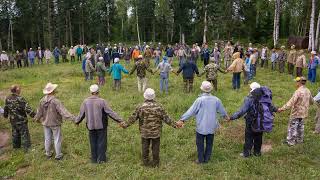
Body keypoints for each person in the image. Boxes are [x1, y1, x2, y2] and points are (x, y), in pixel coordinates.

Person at [122, 88, 177, 167]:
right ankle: (156, 163)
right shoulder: (159, 107)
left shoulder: (141, 107)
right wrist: (176, 125)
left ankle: (145, 163)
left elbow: (132, 118)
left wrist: (125, 125)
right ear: (154, 96)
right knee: (155, 147)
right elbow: (167, 119)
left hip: (145, 132)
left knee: (145, 147)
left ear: (145, 96)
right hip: (156, 132)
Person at [176, 81, 228, 164]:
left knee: (200, 143)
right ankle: (207, 158)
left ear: (202, 89)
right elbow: (222, 111)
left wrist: (182, 119)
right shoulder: (216, 100)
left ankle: (200, 159)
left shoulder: (199, 100)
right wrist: (226, 117)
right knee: (209, 143)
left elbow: (191, 111)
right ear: (211, 89)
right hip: (211, 126)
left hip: (201, 126)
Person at [75, 84, 125, 163]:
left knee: (93, 142)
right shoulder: (102, 101)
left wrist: (77, 121)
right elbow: (110, 112)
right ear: (98, 91)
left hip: (90, 126)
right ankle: (101, 160)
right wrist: (120, 120)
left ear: (90, 92)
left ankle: (94, 159)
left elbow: (81, 114)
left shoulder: (85, 101)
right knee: (102, 142)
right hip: (101, 126)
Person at [229, 82, 278, 157]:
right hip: (261, 121)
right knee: (259, 137)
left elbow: (242, 111)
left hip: (250, 121)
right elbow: (271, 106)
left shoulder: (249, 98)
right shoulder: (265, 97)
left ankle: (247, 153)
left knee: (249, 137)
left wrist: (232, 117)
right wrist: (277, 109)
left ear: (252, 89)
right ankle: (257, 153)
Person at [34, 83, 75, 160]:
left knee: (47, 138)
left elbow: (39, 112)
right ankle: (58, 155)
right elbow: (64, 112)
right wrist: (73, 118)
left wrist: (37, 119)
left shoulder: (41, 101)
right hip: (55, 123)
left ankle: (48, 153)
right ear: (52, 91)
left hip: (45, 123)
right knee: (57, 139)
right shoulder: (56, 101)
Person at [278, 77, 313, 146]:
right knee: (300, 127)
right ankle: (300, 140)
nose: (295, 83)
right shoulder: (308, 90)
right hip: (303, 113)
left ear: (299, 83)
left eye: (296, 82)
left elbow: (291, 102)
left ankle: (291, 142)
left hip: (296, 113)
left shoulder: (298, 92)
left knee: (292, 127)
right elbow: (311, 101)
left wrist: (282, 108)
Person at [3, 85, 36, 151]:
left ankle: (16, 147)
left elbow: (6, 108)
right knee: (24, 134)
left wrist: (5, 115)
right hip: (21, 120)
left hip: (13, 120)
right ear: (17, 90)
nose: (20, 90)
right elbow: (27, 109)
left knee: (15, 133)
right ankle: (27, 148)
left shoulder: (7, 98)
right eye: (19, 89)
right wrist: (35, 116)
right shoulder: (20, 98)